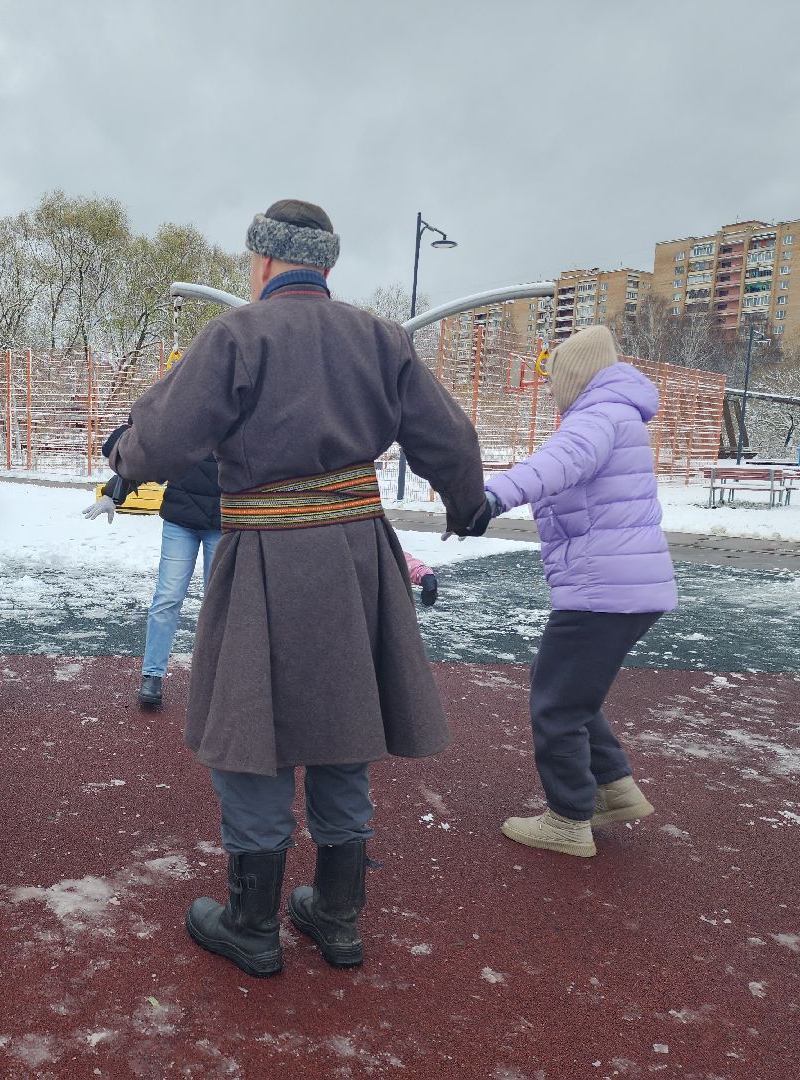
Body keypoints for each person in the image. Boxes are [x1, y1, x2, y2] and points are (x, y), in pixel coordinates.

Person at [108, 200, 489, 976]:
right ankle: (338, 917)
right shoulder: (381, 339)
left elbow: (163, 440)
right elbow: (451, 438)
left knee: (254, 734)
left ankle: (252, 924)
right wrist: (467, 503)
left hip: (263, 554)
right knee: (346, 726)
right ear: (327, 264)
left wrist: (125, 458)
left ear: (262, 261)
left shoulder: (237, 334)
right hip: (356, 558)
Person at [482, 324, 676, 858]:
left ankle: (567, 820)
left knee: (556, 704)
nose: (551, 391)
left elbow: (555, 465)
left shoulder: (596, 417)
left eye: (554, 380)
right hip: (624, 588)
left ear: (574, 377)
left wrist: (490, 498)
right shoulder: (619, 413)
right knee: (573, 692)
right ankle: (613, 789)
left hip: (601, 590)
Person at [84, 447, 222, 709]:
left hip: (222, 522)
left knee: (218, 605)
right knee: (167, 598)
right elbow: (151, 454)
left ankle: (215, 679)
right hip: (181, 521)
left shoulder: (236, 420)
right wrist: (114, 493)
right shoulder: (187, 423)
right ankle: (152, 676)